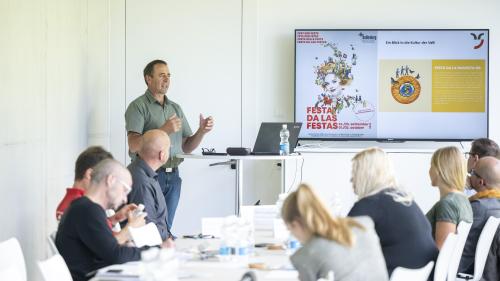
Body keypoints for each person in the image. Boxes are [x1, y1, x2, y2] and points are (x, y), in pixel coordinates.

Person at [125, 59, 214, 231]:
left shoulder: (175, 108)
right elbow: (133, 144)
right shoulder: (138, 107)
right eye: (161, 75)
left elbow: (186, 146)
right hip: (149, 177)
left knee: (166, 228)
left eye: (168, 75)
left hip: (173, 178)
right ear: (148, 79)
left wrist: (201, 131)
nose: (166, 79)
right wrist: (164, 129)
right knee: (147, 229)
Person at [56, 159, 172, 281]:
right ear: (110, 180)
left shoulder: (84, 207)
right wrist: (158, 249)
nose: (125, 199)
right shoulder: (87, 209)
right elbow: (116, 254)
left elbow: (111, 248)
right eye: (125, 190)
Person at [347, 147, 438, 276]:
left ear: (366, 174)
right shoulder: (403, 198)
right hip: (423, 275)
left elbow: (337, 244)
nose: (351, 179)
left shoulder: (370, 204)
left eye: (354, 173)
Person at [281, 183, 388, 281]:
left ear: (296, 224)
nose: (293, 235)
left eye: (290, 230)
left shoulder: (306, 254)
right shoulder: (363, 225)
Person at [55, 146, 139, 245]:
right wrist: (130, 229)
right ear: (90, 174)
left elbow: (93, 232)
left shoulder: (74, 201)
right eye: (104, 176)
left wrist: (114, 219)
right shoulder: (81, 206)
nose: (108, 184)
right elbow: (106, 245)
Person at [127, 129, 174, 242]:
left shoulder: (144, 173)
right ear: (162, 155)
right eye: (168, 149)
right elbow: (148, 228)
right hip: (152, 249)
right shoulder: (142, 182)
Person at [458, 156, 500, 274]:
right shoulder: (494, 204)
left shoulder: (478, 207)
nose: (469, 176)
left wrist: (458, 187)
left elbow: (452, 238)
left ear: (481, 182)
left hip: (461, 271)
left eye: (472, 173)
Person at [426, 146, 473, 249]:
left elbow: (442, 251)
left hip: (425, 264)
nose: (429, 171)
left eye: (431, 166)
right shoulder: (463, 200)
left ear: (440, 170)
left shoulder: (448, 204)